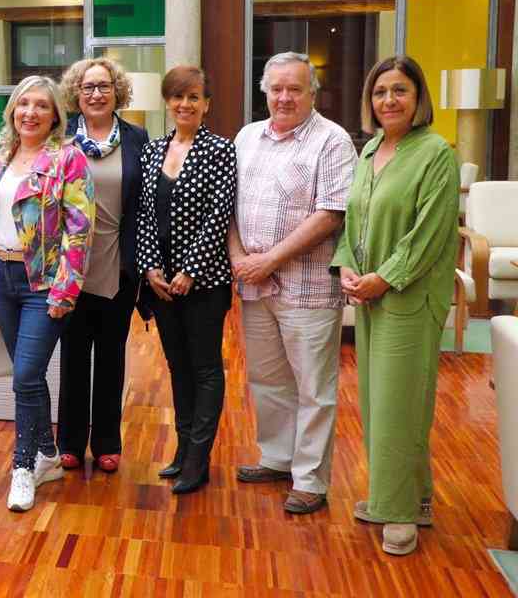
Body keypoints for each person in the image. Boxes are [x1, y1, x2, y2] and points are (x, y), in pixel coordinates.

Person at [331, 56, 458, 556]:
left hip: (407, 297)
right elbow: (352, 222)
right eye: (381, 92)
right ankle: (413, 496)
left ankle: (399, 511)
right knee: (380, 402)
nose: (389, 100)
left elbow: (429, 233)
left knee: (401, 405)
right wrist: (345, 265)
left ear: (418, 97)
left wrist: (385, 278)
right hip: (368, 295)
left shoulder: (436, 154)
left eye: (400, 90)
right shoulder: (370, 153)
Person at [228, 52, 356, 514]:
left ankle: (310, 481)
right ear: (264, 90)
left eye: (294, 89)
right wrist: (241, 258)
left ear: (312, 93)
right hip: (254, 286)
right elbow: (229, 205)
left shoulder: (332, 141)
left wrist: (270, 261)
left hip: (309, 289)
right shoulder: (246, 139)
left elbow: (330, 214)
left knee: (314, 389)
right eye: (276, 88)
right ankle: (277, 458)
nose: (284, 97)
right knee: (267, 378)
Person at [0, 75, 94, 512]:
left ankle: (23, 467)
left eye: (41, 106)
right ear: (13, 110)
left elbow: (80, 232)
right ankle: (48, 452)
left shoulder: (68, 159)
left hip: (43, 283)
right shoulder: (1, 157)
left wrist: (66, 290)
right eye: (23, 104)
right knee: (27, 377)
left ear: (54, 116)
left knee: (26, 376)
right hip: (2, 277)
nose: (30, 112)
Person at [135, 64, 236, 495]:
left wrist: (189, 271)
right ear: (167, 102)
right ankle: (181, 451)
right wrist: (150, 268)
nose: (185, 104)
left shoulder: (221, 150)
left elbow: (219, 216)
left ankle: (199, 457)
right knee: (177, 367)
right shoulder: (152, 150)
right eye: (178, 96)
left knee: (206, 367)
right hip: (162, 284)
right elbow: (142, 214)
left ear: (206, 104)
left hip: (204, 282)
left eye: (194, 97)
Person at [55, 58, 149, 473]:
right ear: (76, 93)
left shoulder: (136, 138)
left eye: (104, 86)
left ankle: (108, 441)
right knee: (73, 358)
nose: (96, 93)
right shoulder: (61, 139)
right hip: (71, 268)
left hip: (118, 265)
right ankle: (71, 442)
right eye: (88, 87)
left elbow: (144, 207)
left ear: (117, 91)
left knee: (111, 357)